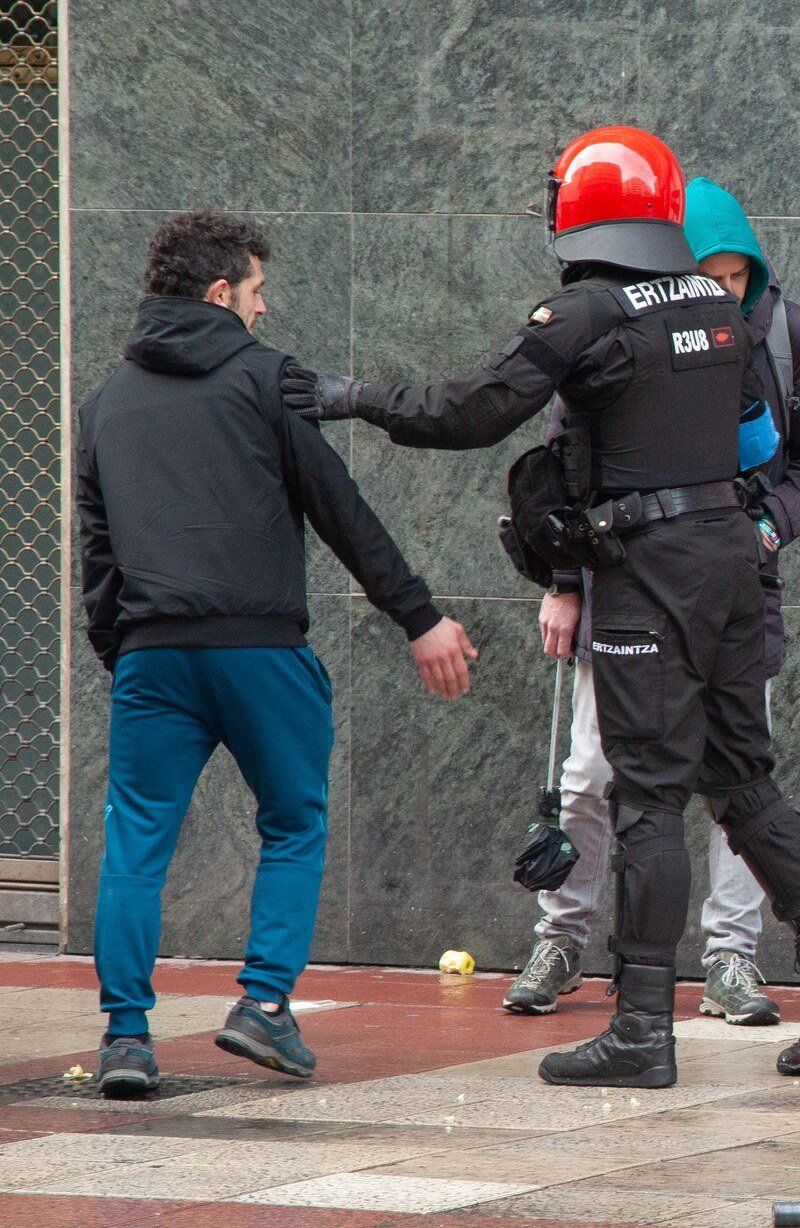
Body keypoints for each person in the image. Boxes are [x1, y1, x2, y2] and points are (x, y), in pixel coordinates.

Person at [282, 127, 800, 1086]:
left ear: (576, 212)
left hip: (647, 576)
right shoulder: (720, 305)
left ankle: (643, 1031)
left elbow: (472, 412)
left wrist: (352, 395)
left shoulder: (585, 312)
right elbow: (758, 439)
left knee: (648, 796)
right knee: (742, 782)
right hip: (732, 563)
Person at [77, 211, 477, 1098]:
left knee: (137, 841)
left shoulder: (105, 403)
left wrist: (130, 651)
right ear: (222, 294)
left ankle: (126, 1040)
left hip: (153, 656)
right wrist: (420, 619)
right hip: (261, 649)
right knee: (293, 824)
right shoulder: (266, 381)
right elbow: (341, 509)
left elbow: (95, 555)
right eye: (258, 290)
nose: (266, 306)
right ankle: (262, 1007)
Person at [505, 175, 800, 1027]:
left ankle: (727, 961)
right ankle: (563, 937)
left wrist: (767, 528)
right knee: (594, 775)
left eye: (738, 278)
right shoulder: (621, 322)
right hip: (624, 582)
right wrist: (563, 583)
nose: (723, 292)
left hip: (735, 585)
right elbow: (568, 456)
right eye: (710, 273)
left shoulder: (785, 334)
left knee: (732, 783)